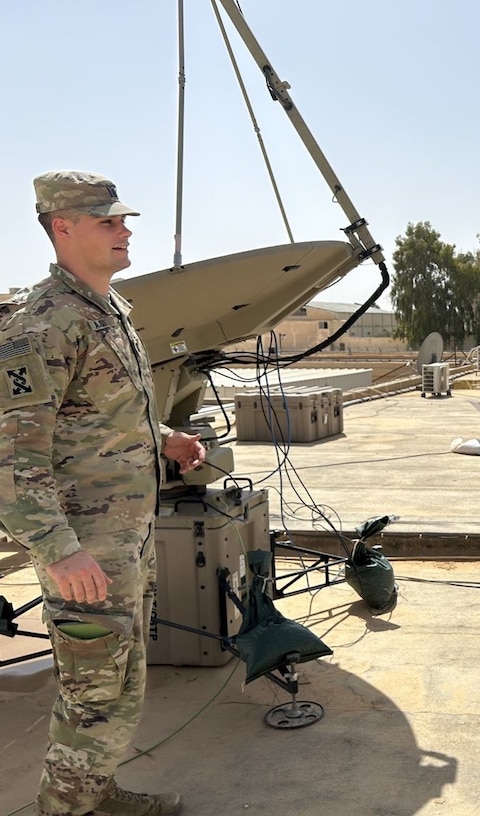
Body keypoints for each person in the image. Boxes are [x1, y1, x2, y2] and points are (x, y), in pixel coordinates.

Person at [0, 171, 206, 816]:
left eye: (123, 220)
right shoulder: (42, 325)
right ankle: (65, 809)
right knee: (94, 694)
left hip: (124, 538)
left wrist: (164, 437)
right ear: (63, 227)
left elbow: (100, 412)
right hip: (83, 550)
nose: (125, 231)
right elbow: (11, 459)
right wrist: (59, 552)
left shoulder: (106, 310)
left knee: (118, 684)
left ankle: (96, 795)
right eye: (107, 222)